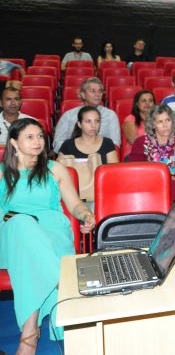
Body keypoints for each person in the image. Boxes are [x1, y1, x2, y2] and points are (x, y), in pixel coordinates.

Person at [0, 118, 96, 350]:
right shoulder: (2, 173)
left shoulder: (56, 169)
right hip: (13, 233)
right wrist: (15, 219)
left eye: (40, 136)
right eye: (30, 137)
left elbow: (75, 205)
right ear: (13, 142)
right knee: (23, 224)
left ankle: (30, 331)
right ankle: (64, 286)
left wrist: (86, 215)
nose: (37, 142)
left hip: (53, 233)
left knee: (36, 253)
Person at [126, 104, 175, 201]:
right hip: (152, 189)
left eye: (168, 120)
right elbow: (135, 172)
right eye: (160, 122)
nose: (165, 125)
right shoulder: (142, 142)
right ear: (152, 124)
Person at [53, 78, 120, 152]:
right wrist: (76, 152)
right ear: (83, 94)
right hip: (73, 158)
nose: (97, 94)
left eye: (100, 91)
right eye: (93, 91)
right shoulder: (68, 116)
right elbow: (57, 143)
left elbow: (115, 143)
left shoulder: (110, 115)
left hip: (101, 157)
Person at [122, 90, 155, 158]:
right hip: (135, 154)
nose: (147, 103)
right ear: (137, 104)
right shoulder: (130, 119)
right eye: (144, 101)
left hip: (155, 155)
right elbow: (133, 141)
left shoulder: (158, 119)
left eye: (150, 100)